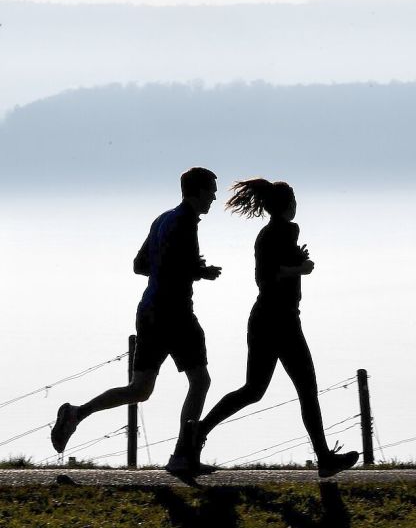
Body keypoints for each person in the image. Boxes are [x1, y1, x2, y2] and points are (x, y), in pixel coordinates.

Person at [51, 167, 222, 475]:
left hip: (149, 311)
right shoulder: (184, 223)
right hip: (175, 312)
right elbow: (174, 270)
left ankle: (77, 413)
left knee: (140, 389)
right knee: (200, 380)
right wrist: (200, 271)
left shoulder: (162, 220)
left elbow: (139, 265)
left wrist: (185, 268)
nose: (214, 196)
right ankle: (183, 455)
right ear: (196, 191)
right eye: (210, 189)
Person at [195, 178, 359, 477]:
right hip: (282, 319)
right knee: (306, 389)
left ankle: (200, 430)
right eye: (295, 201)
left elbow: (267, 272)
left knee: (253, 390)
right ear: (288, 205)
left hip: (263, 319)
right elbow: (271, 276)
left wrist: (296, 260)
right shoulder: (287, 230)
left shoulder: (266, 234)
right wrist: (301, 268)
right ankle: (324, 459)